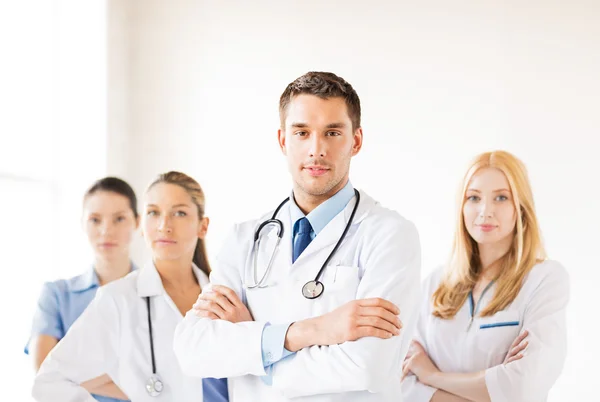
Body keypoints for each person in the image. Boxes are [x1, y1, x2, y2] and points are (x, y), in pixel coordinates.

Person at [174, 71, 421, 402]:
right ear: (283, 140)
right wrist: (311, 331)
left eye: (332, 132)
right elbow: (194, 350)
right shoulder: (244, 239)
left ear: (356, 141)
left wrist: (257, 354)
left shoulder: (390, 235)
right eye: (302, 132)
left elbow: (367, 367)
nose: (316, 149)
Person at [32, 171, 229, 402]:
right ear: (142, 224)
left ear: (203, 226)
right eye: (153, 213)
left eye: (179, 213)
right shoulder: (117, 299)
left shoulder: (225, 294)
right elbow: (50, 381)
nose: (164, 225)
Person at [400, 150, 570, 402]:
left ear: (520, 208)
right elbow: (401, 383)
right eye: (474, 198)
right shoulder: (435, 284)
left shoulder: (544, 279)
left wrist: (432, 376)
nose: (485, 211)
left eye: (501, 197)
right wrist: (493, 386)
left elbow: (523, 386)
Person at [26, 176, 139, 401]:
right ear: (82, 223)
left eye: (119, 219)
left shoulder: (158, 294)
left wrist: (75, 377)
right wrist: (137, 386)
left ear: (137, 222)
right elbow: (45, 375)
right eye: (95, 219)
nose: (106, 230)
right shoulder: (56, 296)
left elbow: (172, 382)